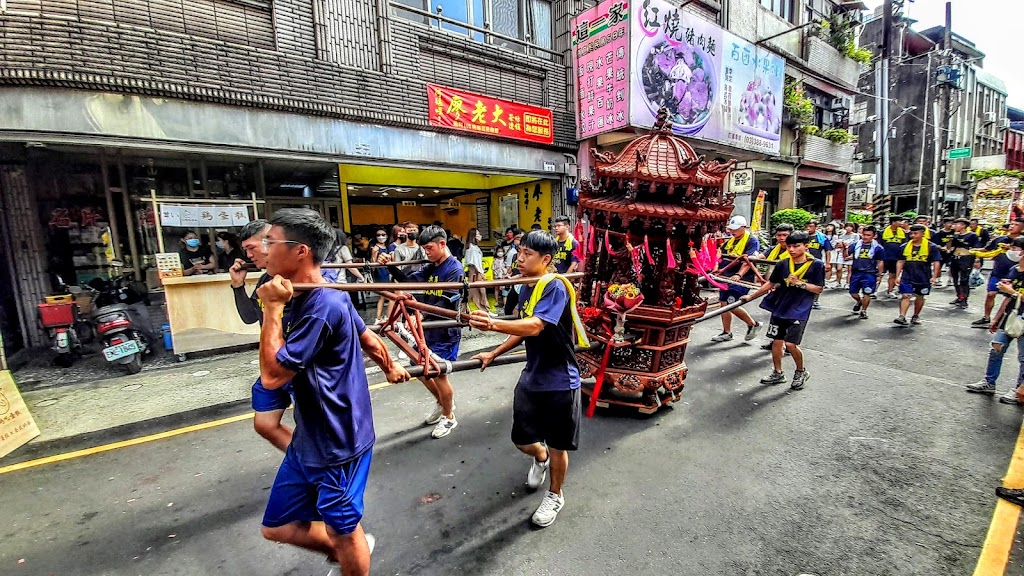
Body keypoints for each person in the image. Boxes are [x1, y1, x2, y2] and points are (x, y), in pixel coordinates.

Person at [256, 208, 410, 576]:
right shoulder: (314, 293)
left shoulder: (322, 304)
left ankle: (350, 552)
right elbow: (367, 337)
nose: (263, 251)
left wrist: (271, 309)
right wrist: (389, 365)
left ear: (300, 251)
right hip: (310, 438)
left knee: (344, 530)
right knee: (276, 527)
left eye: (270, 242)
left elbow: (272, 377)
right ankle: (345, 554)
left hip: (338, 440)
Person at [468, 230, 590, 527]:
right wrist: (493, 353)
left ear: (546, 259)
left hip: (561, 379)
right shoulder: (526, 286)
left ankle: (555, 495)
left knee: (559, 444)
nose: (519, 259)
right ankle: (540, 456)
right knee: (522, 439)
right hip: (533, 377)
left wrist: (494, 324)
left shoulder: (555, 287)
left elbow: (535, 326)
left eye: (527, 255)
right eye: (519, 253)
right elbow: (522, 328)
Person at [380, 226, 463, 439]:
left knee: (438, 373)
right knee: (420, 368)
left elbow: (447, 301)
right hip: (427, 331)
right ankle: (443, 403)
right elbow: (408, 281)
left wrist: (422, 318)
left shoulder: (454, 269)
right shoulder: (432, 266)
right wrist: (390, 266)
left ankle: (449, 417)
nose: (427, 252)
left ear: (442, 244)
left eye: (429, 248)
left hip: (444, 331)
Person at [229, 220, 294, 451]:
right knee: (265, 423)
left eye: (251, 248)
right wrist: (238, 286)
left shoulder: (294, 276)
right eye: (245, 250)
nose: (247, 255)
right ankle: (306, 462)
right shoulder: (266, 279)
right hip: (273, 362)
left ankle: (315, 466)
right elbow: (250, 317)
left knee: (313, 426)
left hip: (297, 363)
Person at [741, 231, 825, 390]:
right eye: (789, 246)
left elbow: (819, 289)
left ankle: (801, 371)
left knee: (791, 344)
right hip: (780, 307)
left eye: (796, 246)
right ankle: (777, 372)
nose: (792, 249)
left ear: (806, 246)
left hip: (799, 309)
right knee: (777, 341)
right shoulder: (783, 264)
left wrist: (800, 283)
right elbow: (770, 283)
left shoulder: (816, 265)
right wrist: (751, 297)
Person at [966, 237, 1024, 401]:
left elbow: (1011, 293)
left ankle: (1019, 390)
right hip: (1010, 314)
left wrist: (1012, 292)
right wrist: (996, 318)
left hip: (1022, 317)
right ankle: (989, 382)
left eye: (1015, 248)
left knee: (1023, 357)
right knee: (996, 348)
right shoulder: (1014, 269)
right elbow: (1007, 298)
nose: (1012, 251)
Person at [711, 216, 763, 342]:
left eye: (735, 229)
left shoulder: (751, 241)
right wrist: (716, 267)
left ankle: (752, 324)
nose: (732, 231)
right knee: (723, 303)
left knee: (731, 303)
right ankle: (726, 332)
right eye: (731, 229)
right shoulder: (730, 240)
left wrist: (739, 274)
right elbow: (720, 254)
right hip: (726, 275)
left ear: (744, 228)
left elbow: (748, 260)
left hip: (742, 277)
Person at [973, 220, 1024, 328]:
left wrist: (1010, 248)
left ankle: (1004, 320)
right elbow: (986, 250)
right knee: (991, 294)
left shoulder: (1022, 241)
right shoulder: (999, 239)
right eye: (1011, 224)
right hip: (998, 272)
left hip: (1016, 276)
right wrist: (976, 254)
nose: (1012, 226)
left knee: (1011, 298)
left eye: (1016, 225)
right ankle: (986, 317)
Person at [894, 224, 943, 326]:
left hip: (923, 276)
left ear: (923, 234)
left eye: (916, 233)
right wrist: (897, 276)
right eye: (911, 233)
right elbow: (900, 261)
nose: (913, 235)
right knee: (905, 295)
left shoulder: (931, 247)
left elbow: (936, 262)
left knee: (920, 297)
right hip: (907, 275)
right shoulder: (904, 247)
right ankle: (902, 316)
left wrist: (934, 276)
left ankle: (915, 316)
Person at [845, 226, 884, 320]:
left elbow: (880, 261)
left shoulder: (878, 248)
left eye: (868, 235)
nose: (865, 237)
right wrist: (844, 248)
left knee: (867, 292)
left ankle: (864, 310)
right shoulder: (855, 245)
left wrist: (879, 274)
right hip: (856, 272)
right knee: (853, 292)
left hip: (869, 273)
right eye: (864, 234)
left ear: (874, 236)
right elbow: (846, 256)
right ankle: (859, 301)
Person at [947, 218, 979, 309]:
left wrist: (977, 260)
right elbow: (950, 247)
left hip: (966, 259)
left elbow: (976, 248)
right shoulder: (955, 236)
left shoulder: (972, 236)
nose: (954, 226)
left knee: (964, 279)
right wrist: (950, 239)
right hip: (955, 258)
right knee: (955, 278)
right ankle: (959, 296)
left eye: (957, 224)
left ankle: (964, 299)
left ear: (963, 225)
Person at [463, 227, 494, 315]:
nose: (480, 236)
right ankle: (485, 309)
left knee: (474, 293)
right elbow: (475, 263)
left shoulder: (471, 247)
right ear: (474, 237)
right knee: (478, 291)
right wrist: (481, 273)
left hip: (473, 272)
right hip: (476, 272)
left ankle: (484, 310)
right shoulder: (473, 249)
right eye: (478, 234)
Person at [805, 221, 833, 309]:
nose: (808, 228)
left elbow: (828, 251)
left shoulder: (822, 238)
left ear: (815, 227)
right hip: (803, 262)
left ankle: (815, 300)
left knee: (818, 282)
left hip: (817, 262)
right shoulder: (803, 237)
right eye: (807, 226)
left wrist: (828, 263)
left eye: (811, 226)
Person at [369, 227, 394, 324]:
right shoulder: (375, 248)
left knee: (389, 296)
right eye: (378, 235)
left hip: (389, 273)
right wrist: (374, 254)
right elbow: (373, 263)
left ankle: (386, 316)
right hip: (381, 273)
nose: (381, 237)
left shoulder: (388, 247)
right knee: (383, 296)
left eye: (383, 235)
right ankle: (378, 318)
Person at [880, 216, 908, 298]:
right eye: (899, 221)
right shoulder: (882, 232)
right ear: (893, 222)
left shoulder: (903, 233)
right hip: (884, 257)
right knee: (879, 274)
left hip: (896, 258)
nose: (901, 223)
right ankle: (873, 291)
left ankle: (890, 290)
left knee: (893, 275)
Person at [503, 230, 525, 316]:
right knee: (508, 309)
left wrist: (513, 278)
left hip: (524, 285)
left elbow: (525, 273)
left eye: (520, 239)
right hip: (515, 285)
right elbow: (512, 269)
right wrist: (507, 275)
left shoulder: (529, 256)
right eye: (517, 239)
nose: (518, 241)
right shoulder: (514, 255)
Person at [834, 222, 860, 289]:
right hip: (841, 253)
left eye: (850, 227)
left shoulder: (856, 236)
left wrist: (852, 255)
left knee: (850, 270)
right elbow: (837, 245)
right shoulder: (842, 236)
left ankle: (848, 283)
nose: (848, 228)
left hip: (851, 253)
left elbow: (856, 245)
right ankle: (838, 282)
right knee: (839, 268)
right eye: (847, 226)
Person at [934, 218, 956, 288]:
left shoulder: (955, 233)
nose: (950, 225)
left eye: (952, 223)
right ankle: (937, 279)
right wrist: (941, 248)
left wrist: (953, 247)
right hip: (941, 252)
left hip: (952, 252)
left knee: (951, 266)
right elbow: (936, 244)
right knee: (939, 266)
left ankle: (951, 279)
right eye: (948, 223)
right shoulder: (939, 233)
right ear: (944, 224)